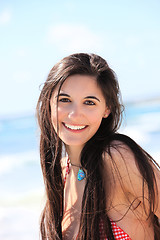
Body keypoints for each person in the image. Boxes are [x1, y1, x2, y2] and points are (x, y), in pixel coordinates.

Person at [36, 53, 160, 240]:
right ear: (49, 103)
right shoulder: (62, 173)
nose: (74, 115)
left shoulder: (116, 157)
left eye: (89, 102)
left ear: (107, 109)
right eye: (65, 100)